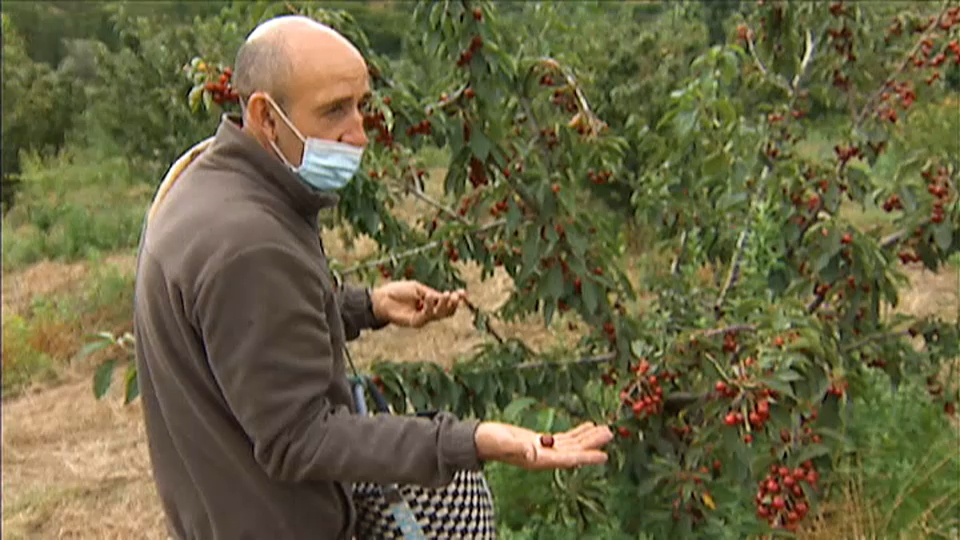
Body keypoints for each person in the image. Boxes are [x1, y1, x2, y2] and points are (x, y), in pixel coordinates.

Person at [132, 15, 614, 540]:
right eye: (335, 109)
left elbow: (244, 329)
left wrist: (366, 306)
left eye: (361, 104)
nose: (359, 132)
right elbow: (298, 439)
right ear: (266, 116)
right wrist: (469, 441)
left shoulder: (205, 182)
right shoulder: (250, 243)